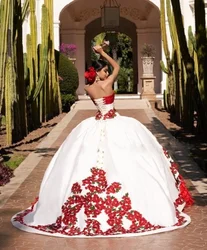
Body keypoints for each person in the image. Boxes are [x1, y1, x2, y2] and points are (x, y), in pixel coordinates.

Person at [11, 44, 193, 237]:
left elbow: (98, 83)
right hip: (114, 120)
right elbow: (118, 67)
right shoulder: (107, 85)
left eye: (106, 71)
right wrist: (103, 52)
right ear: (99, 72)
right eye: (104, 70)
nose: (108, 72)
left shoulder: (89, 88)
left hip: (97, 122)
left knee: (84, 159)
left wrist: (94, 65)